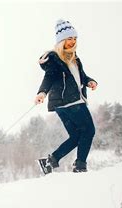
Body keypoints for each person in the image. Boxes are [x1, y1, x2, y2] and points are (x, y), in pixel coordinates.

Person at [35, 19, 98, 174]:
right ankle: (80, 165)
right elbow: (49, 77)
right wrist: (42, 93)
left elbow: (81, 76)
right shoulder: (55, 59)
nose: (72, 42)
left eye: (74, 38)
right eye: (69, 38)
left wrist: (89, 81)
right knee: (89, 131)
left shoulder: (74, 58)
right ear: (61, 41)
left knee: (76, 136)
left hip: (62, 105)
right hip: (71, 102)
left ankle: (50, 161)